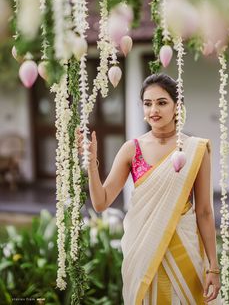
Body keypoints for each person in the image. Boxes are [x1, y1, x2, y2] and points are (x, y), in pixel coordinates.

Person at [77, 73, 221, 304]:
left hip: (184, 247)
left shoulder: (195, 149)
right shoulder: (131, 149)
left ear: (177, 106)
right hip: (142, 247)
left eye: (162, 102)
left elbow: (204, 211)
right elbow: (101, 202)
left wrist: (213, 267)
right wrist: (92, 163)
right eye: (147, 103)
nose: (154, 109)